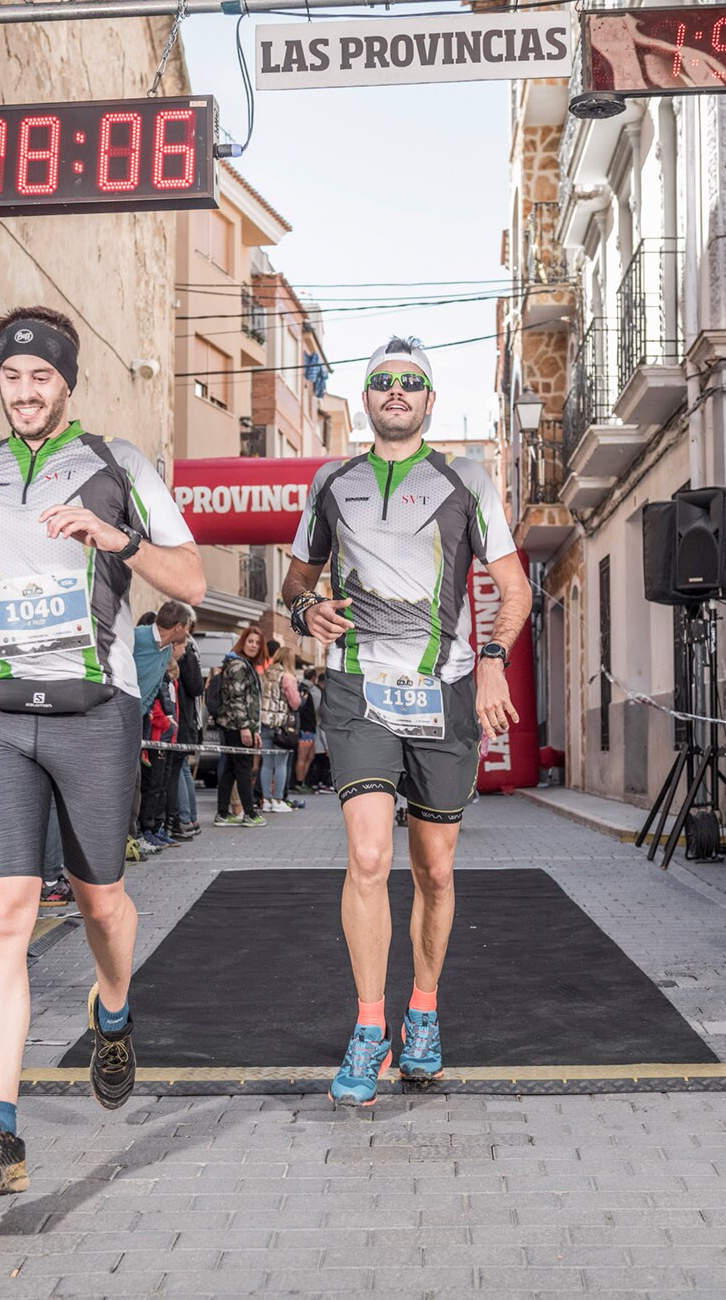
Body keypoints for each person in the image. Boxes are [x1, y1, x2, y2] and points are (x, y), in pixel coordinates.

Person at [0, 304, 203, 1200]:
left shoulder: (120, 466)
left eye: (41, 377)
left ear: (67, 381)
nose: (25, 392)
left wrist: (119, 539)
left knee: (104, 901)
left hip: (92, 709)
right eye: (12, 376)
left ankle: (113, 1008)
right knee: (1, 915)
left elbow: (192, 577)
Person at [282, 335, 531, 1104]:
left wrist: (491, 656)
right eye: (383, 381)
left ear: (428, 399)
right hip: (359, 687)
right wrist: (306, 609)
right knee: (366, 858)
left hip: (444, 689)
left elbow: (514, 590)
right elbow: (293, 586)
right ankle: (369, 1028)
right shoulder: (333, 480)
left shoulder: (467, 479)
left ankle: (422, 1008)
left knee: (435, 867)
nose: (396, 391)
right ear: (367, 399)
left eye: (411, 383)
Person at [133, 601, 196, 852]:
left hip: (140, 719)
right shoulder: (136, 638)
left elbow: (157, 685)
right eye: (188, 628)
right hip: (118, 714)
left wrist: (145, 710)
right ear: (178, 626)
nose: (189, 634)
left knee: (137, 782)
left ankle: (137, 835)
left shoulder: (167, 649)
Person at [211, 627, 267, 826]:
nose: (253, 645)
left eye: (257, 642)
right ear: (243, 642)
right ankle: (250, 814)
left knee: (231, 770)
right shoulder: (238, 665)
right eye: (250, 641)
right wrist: (245, 727)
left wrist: (254, 730)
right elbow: (236, 698)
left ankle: (222, 813)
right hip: (236, 725)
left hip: (239, 725)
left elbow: (250, 701)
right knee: (243, 768)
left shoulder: (244, 665)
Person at [257, 644, 303, 812]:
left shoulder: (264, 675)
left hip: (264, 723)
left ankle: (266, 800)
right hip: (280, 725)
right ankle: (278, 800)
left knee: (267, 763)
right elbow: (295, 703)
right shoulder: (288, 677)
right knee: (281, 763)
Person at [170, 637, 206, 839]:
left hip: (182, 720)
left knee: (179, 769)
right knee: (182, 768)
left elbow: (195, 687)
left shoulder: (187, 651)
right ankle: (188, 818)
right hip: (186, 720)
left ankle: (185, 819)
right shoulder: (192, 650)